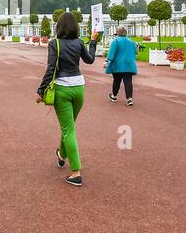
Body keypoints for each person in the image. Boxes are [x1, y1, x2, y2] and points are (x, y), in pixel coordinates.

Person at [35, 12, 100, 187]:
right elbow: (90, 60)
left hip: (62, 89)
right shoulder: (79, 42)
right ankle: (61, 155)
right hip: (79, 88)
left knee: (68, 130)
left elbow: (50, 69)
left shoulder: (54, 43)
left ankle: (76, 172)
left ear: (59, 27)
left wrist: (40, 91)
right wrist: (93, 41)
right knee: (69, 127)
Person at [104, 26, 139, 106]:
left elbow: (111, 54)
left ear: (118, 33)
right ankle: (129, 98)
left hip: (118, 64)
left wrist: (107, 61)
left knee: (116, 81)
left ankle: (114, 96)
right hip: (129, 64)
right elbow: (136, 52)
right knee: (128, 81)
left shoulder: (115, 41)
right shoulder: (131, 41)